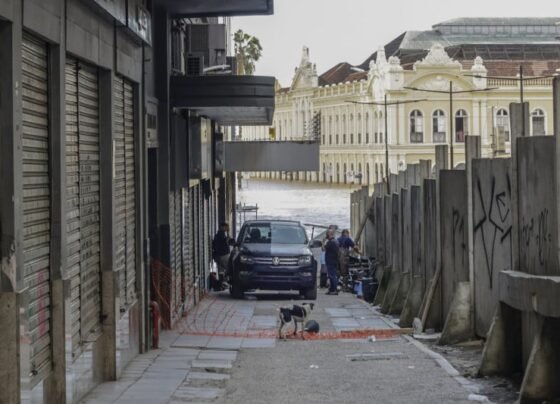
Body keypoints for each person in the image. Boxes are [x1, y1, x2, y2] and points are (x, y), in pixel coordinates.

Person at [212, 222, 233, 289]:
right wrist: (228, 237)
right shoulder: (221, 235)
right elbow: (226, 242)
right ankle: (227, 282)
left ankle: (221, 284)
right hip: (224, 255)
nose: (227, 228)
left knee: (221, 270)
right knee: (228, 269)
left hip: (219, 255)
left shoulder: (217, 235)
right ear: (223, 227)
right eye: (226, 227)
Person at [324, 229, 340, 295]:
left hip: (330, 260)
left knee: (332, 275)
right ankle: (331, 289)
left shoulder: (330, 242)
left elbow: (323, 248)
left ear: (329, 234)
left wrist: (323, 241)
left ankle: (334, 290)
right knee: (332, 275)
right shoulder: (336, 241)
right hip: (334, 260)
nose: (326, 235)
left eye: (327, 234)